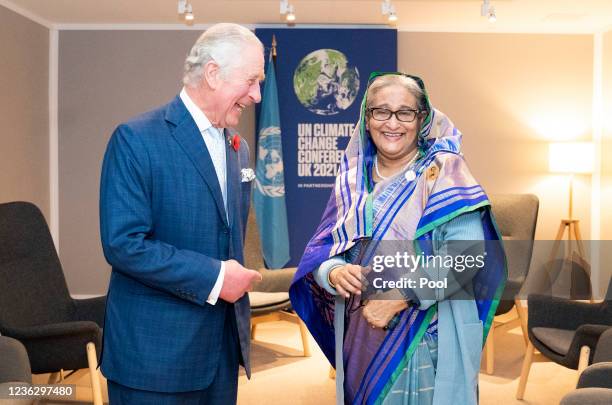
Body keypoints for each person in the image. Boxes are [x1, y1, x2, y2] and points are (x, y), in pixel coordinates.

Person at [290, 73, 507, 404]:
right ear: (367, 118)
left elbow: (469, 259)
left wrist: (401, 296)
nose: (393, 123)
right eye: (381, 111)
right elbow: (328, 250)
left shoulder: (444, 172)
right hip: (360, 334)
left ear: (422, 119)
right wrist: (333, 272)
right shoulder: (352, 178)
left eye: (405, 112)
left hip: (423, 333)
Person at [99, 23, 264, 404]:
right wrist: (217, 276)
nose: (256, 94)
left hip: (220, 353)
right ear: (212, 73)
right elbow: (124, 244)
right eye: (251, 80)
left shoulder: (238, 147)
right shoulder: (136, 139)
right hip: (154, 358)